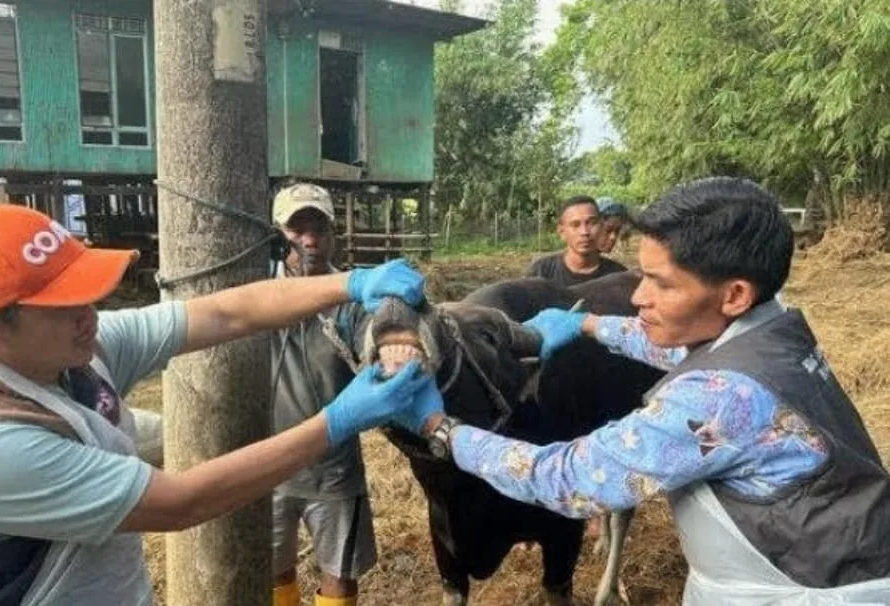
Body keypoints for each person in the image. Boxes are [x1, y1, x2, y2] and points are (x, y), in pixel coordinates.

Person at [0, 203, 435, 605]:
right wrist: (338, 420)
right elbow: (181, 502)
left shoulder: (72, 348)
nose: (89, 314)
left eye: (85, 294)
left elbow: (227, 314)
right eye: (61, 306)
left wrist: (352, 282)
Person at [400, 178, 890, 604]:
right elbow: (686, 353)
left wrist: (441, 430)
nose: (637, 296)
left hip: (801, 592)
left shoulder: (718, 401)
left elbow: (568, 479)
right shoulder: (776, 332)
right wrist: (588, 323)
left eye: (659, 283)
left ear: (735, 294)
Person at [268, 183, 376, 606]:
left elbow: (376, 337)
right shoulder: (255, 291)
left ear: (334, 233)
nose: (310, 240)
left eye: (320, 228)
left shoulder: (353, 297)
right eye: (298, 230)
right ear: (278, 234)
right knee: (273, 569)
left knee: (340, 575)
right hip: (265, 461)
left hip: (333, 464)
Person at [525, 195, 626, 286]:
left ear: (600, 226)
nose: (584, 232)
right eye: (575, 225)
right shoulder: (542, 272)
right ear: (562, 232)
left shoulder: (619, 276)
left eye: (591, 223)